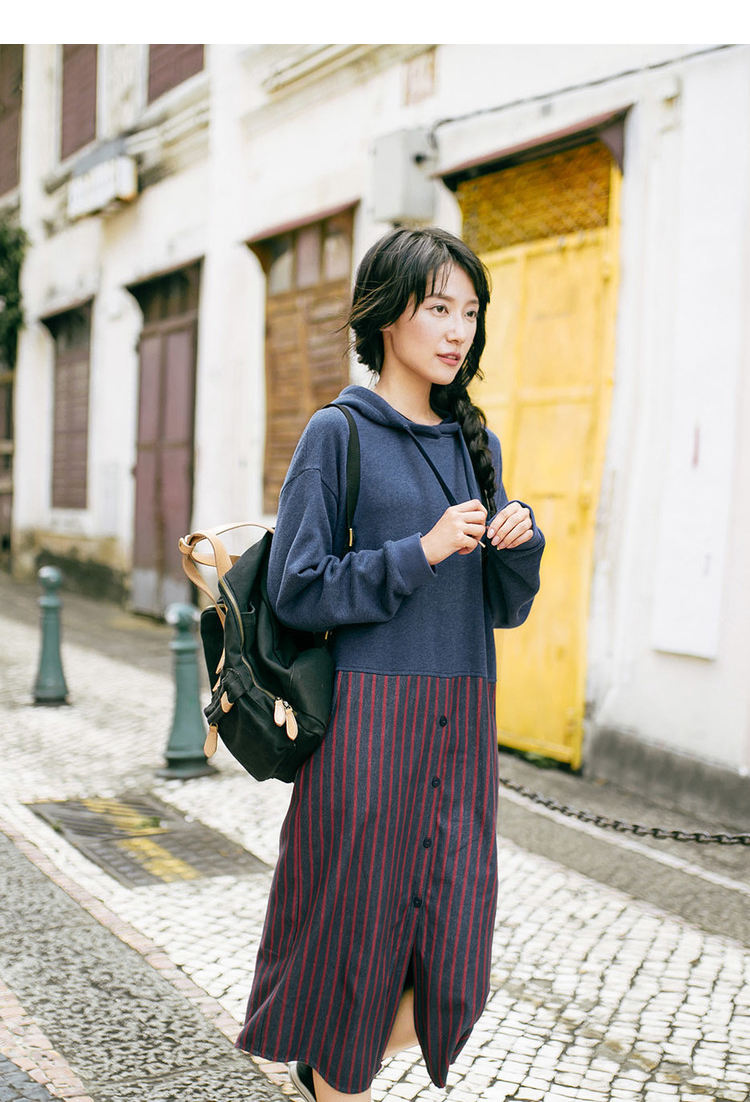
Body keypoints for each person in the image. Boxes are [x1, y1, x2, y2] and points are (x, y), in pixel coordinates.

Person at [236, 226, 545, 1102]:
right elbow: (297, 589)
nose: (458, 331)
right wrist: (422, 550)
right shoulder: (338, 434)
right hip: (367, 725)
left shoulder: (475, 446)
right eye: (439, 308)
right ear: (386, 316)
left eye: (470, 313)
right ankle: (337, 1077)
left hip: (462, 717)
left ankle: (328, 1067)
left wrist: (520, 542)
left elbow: (503, 608)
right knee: (356, 947)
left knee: (458, 968)